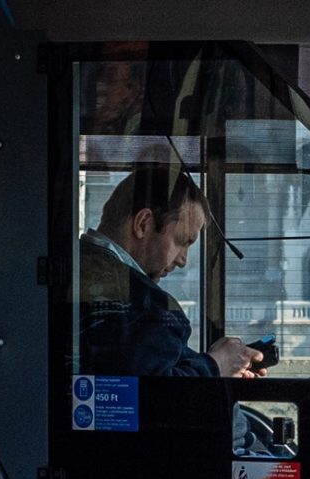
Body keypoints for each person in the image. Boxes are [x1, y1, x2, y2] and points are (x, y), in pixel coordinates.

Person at [77, 162, 258, 378]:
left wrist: (220, 361)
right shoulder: (148, 307)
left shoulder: (71, 268)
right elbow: (164, 396)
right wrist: (214, 366)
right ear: (143, 224)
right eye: (182, 241)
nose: (182, 260)